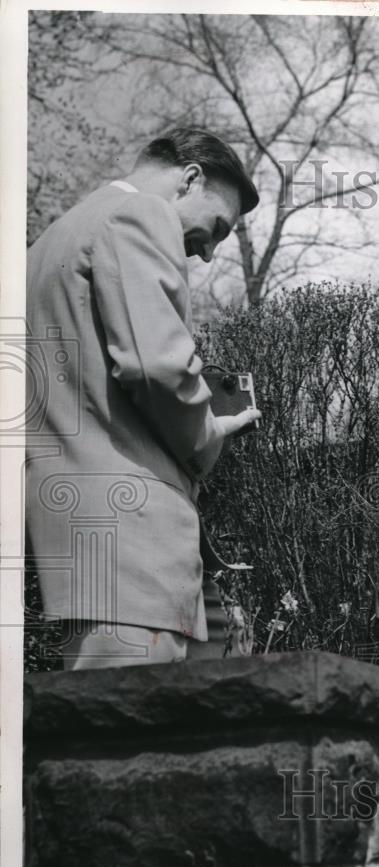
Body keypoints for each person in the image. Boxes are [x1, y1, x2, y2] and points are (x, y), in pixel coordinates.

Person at [26, 127, 261, 669]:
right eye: (217, 227)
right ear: (189, 179)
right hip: (133, 542)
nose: (205, 252)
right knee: (128, 741)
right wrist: (208, 436)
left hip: (80, 531)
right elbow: (157, 367)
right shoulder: (139, 215)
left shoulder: (45, 246)